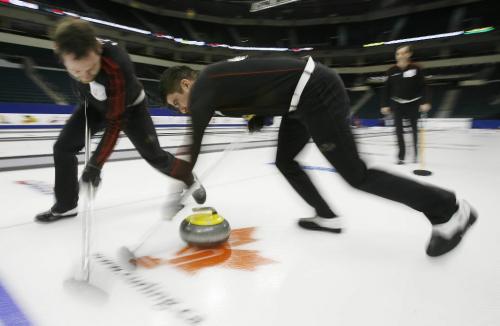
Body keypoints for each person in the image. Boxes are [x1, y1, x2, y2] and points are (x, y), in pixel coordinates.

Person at [159, 56, 476, 257]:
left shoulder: (204, 88)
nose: (181, 108)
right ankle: (326, 215)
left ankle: (449, 209)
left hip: (315, 91)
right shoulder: (216, 84)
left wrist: (179, 186)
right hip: (297, 102)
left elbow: (193, 142)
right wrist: (258, 116)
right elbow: (263, 87)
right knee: (285, 160)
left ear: (187, 84)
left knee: (357, 175)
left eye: (177, 101)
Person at [35, 18, 205, 223]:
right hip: (94, 105)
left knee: (155, 156)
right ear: (59, 53)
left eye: (91, 69)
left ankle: (188, 176)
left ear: (97, 48)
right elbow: (84, 84)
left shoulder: (117, 63)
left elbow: (116, 121)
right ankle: (66, 205)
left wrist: (95, 165)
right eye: (76, 71)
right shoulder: (67, 50)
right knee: (63, 147)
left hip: (130, 108)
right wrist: (86, 93)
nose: (85, 75)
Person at [380, 44, 431, 164]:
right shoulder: (391, 71)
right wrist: (384, 104)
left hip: (413, 103)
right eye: (398, 54)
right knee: (398, 131)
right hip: (397, 104)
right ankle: (401, 156)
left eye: (403, 53)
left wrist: (425, 102)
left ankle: (415, 154)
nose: (400, 56)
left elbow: (424, 87)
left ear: (409, 54)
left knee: (414, 130)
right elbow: (386, 89)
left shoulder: (416, 69)